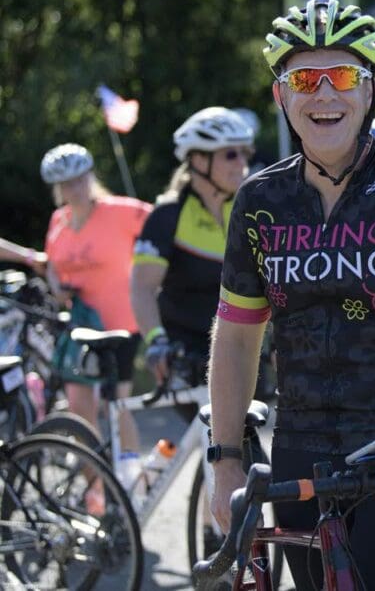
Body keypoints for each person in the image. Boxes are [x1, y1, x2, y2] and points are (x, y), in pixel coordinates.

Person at [208, 0, 375, 591]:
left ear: (370, 90)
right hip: (302, 450)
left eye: (344, 78)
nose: (325, 94)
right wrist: (224, 457)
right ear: (282, 95)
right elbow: (236, 336)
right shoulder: (259, 201)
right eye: (306, 79)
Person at [129, 107, 255, 555]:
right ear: (199, 161)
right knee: (216, 443)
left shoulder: (248, 208)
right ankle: (213, 543)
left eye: (244, 153)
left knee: (233, 444)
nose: (241, 162)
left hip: (239, 348)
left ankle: (212, 532)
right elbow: (142, 289)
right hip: (185, 351)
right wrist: (156, 342)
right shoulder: (168, 216)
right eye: (230, 154)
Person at [41, 143, 148, 457]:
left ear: (90, 177)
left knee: (116, 405)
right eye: (66, 184)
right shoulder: (59, 221)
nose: (74, 189)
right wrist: (56, 287)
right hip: (82, 327)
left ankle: (131, 475)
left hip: (121, 325)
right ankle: (97, 481)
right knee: (79, 409)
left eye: (79, 180)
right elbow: (51, 264)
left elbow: (163, 225)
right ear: (58, 188)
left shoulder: (120, 211)